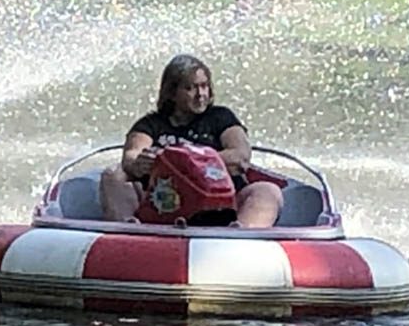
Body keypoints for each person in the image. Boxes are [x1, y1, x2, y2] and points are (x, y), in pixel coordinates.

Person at [98, 53, 282, 227]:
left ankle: (241, 233)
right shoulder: (151, 124)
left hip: (222, 205)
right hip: (163, 205)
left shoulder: (221, 117)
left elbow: (240, 156)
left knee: (267, 190)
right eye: (190, 88)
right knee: (113, 175)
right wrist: (141, 162)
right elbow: (131, 157)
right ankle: (128, 229)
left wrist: (184, 163)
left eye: (204, 86)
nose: (200, 94)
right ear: (171, 92)